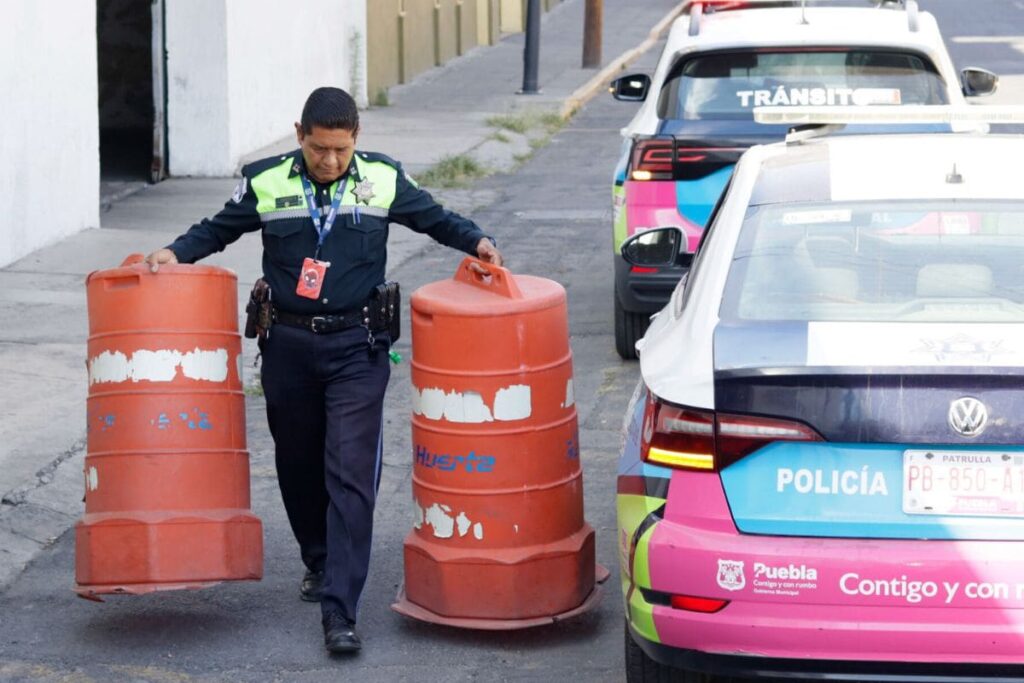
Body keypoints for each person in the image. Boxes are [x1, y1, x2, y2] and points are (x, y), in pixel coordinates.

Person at [146, 86, 502, 654]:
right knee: (298, 463)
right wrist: (176, 252)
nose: (330, 161)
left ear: (356, 138)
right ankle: (318, 557)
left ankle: (341, 608)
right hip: (287, 347)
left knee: (350, 472)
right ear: (299, 136)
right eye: (318, 149)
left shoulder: (382, 178)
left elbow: (434, 218)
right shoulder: (267, 180)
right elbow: (219, 228)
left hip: (358, 347)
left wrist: (476, 240)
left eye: (340, 149)